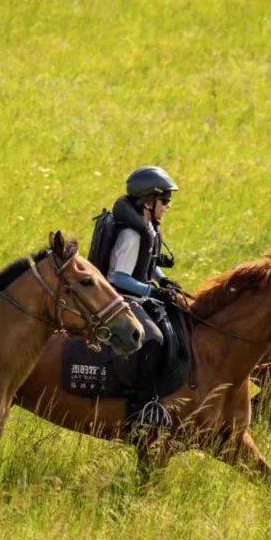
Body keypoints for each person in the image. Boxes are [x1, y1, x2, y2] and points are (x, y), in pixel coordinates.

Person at [91, 166, 183, 431]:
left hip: (138, 293)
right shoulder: (131, 234)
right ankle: (142, 405)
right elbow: (118, 277)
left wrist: (162, 279)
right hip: (120, 298)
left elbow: (147, 262)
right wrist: (152, 291)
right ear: (148, 202)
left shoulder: (147, 227)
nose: (167, 206)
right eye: (164, 201)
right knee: (153, 339)